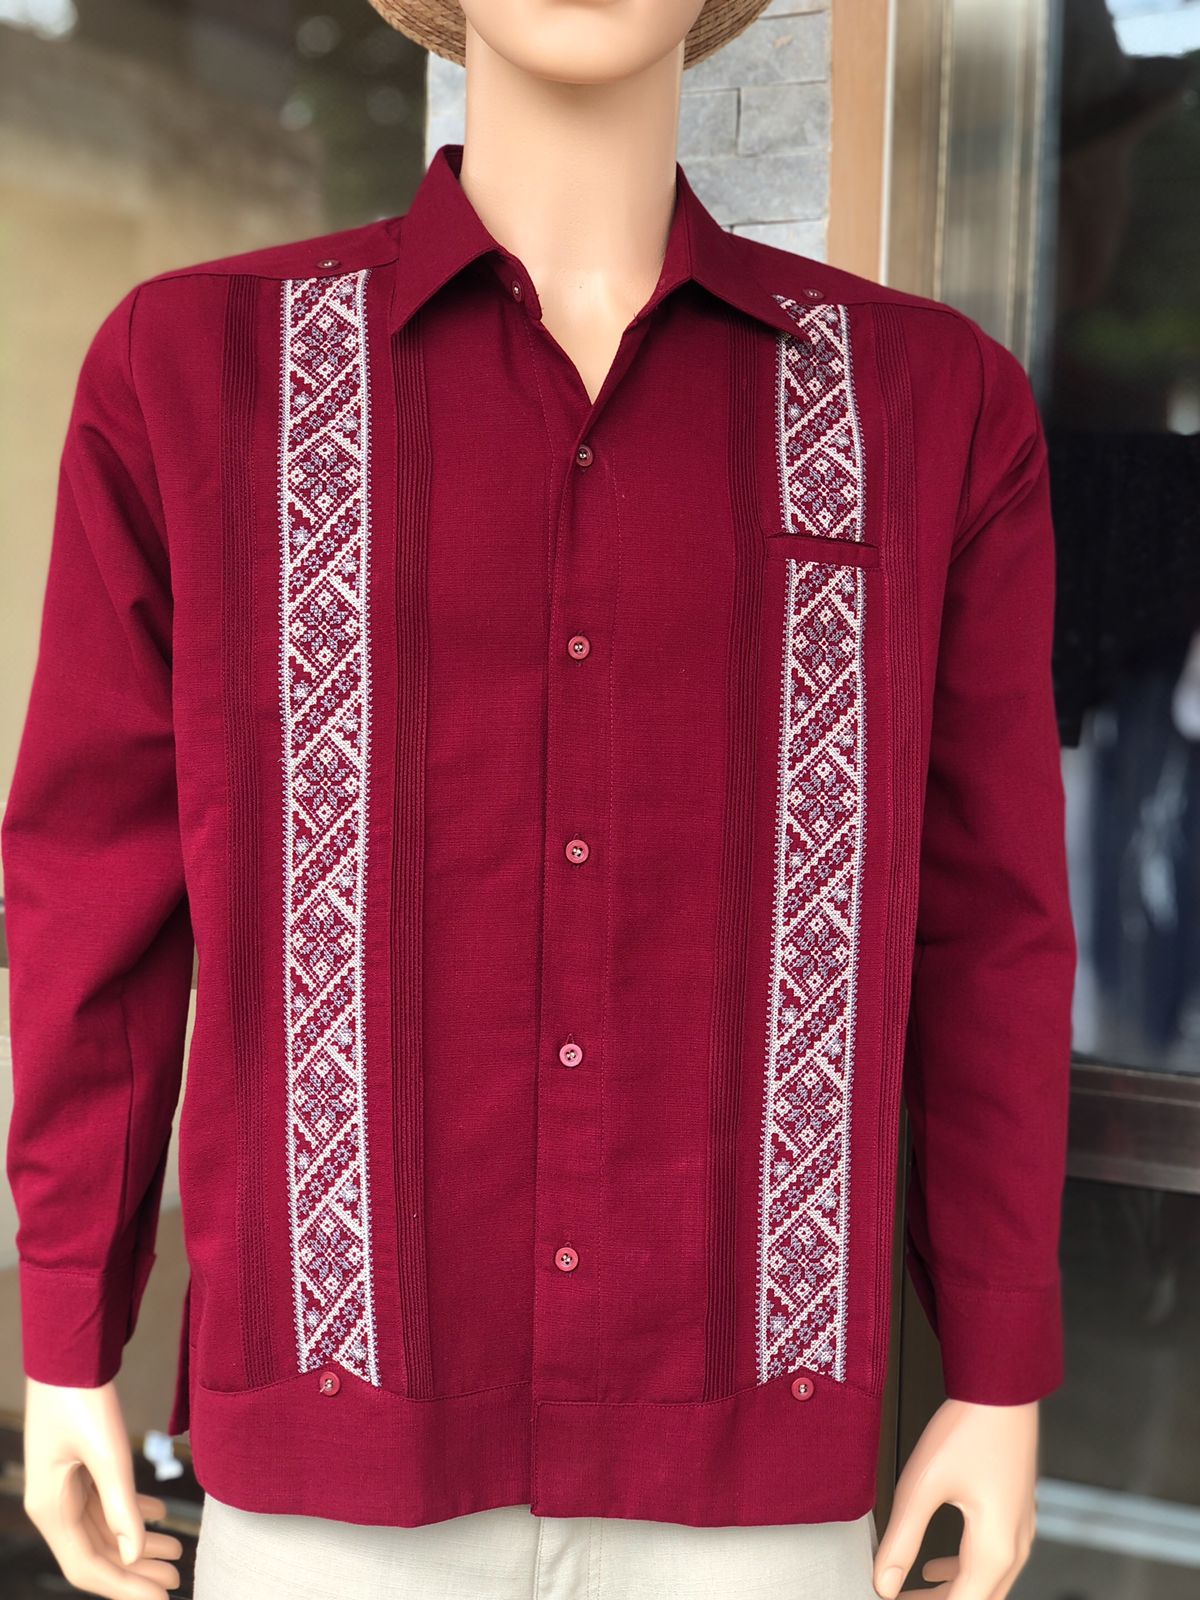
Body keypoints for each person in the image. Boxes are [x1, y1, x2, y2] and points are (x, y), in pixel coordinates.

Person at [3, 2, 1077, 1597]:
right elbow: (93, 888)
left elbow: (990, 931)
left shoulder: (929, 405)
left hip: (748, 1497)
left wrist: (995, 1373)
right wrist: (67, 1332)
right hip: (333, 1483)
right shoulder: (190, 372)